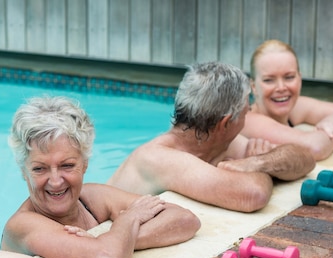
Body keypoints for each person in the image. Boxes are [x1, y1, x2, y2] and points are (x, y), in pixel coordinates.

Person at [1, 96, 201, 258]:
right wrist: (128, 219)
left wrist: (120, 239)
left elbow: (185, 220)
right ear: (23, 171)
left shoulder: (92, 198)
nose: (55, 181)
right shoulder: (22, 225)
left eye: (67, 165)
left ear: (85, 163)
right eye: (39, 169)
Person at [107, 61, 316, 213]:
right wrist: (262, 167)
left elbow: (305, 158)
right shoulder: (160, 158)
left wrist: (258, 161)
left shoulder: (218, 142)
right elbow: (253, 194)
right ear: (226, 123)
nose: (249, 113)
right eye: (246, 110)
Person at [242, 39, 333, 161]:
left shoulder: (296, 107)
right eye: (269, 80)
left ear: (300, 79)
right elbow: (314, 148)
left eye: (289, 77)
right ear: (253, 86)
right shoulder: (248, 120)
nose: (281, 87)